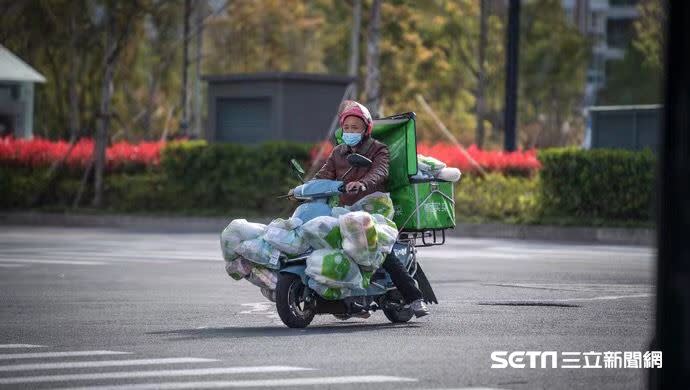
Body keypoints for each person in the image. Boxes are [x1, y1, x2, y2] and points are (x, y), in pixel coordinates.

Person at [314, 100, 429, 318]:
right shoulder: (338, 152)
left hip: (375, 206)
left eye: (355, 128)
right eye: (346, 128)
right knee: (331, 244)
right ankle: (349, 298)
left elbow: (380, 171)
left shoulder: (378, 149)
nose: (349, 132)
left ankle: (414, 298)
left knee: (379, 248)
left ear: (366, 129)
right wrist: (303, 189)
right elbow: (323, 175)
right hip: (347, 208)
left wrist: (364, 183)